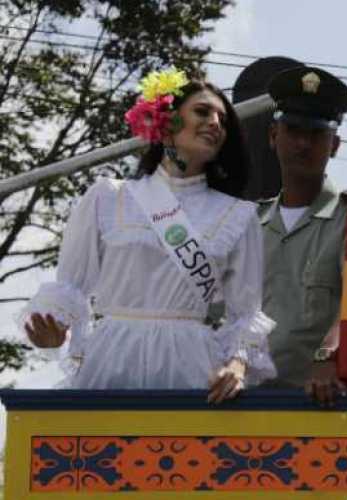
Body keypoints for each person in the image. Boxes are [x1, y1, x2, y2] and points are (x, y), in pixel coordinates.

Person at [19, 68, 276, 404]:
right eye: (202, 111)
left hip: (191, 362)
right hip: (112, 355)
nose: (215, 122)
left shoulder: (238, 216)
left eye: (223, 120)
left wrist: (237, 366)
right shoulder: (108, 197)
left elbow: (245, 313)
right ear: (166, 120)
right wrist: (53, 329)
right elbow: (71, 286)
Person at [258, 65, 347, 404]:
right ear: (273, 136)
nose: (303, 143)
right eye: (294, 130)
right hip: (245, 401)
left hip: (325, 404)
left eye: (316, 133)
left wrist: (327, 356)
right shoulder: (248, 223)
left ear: (335, 145)